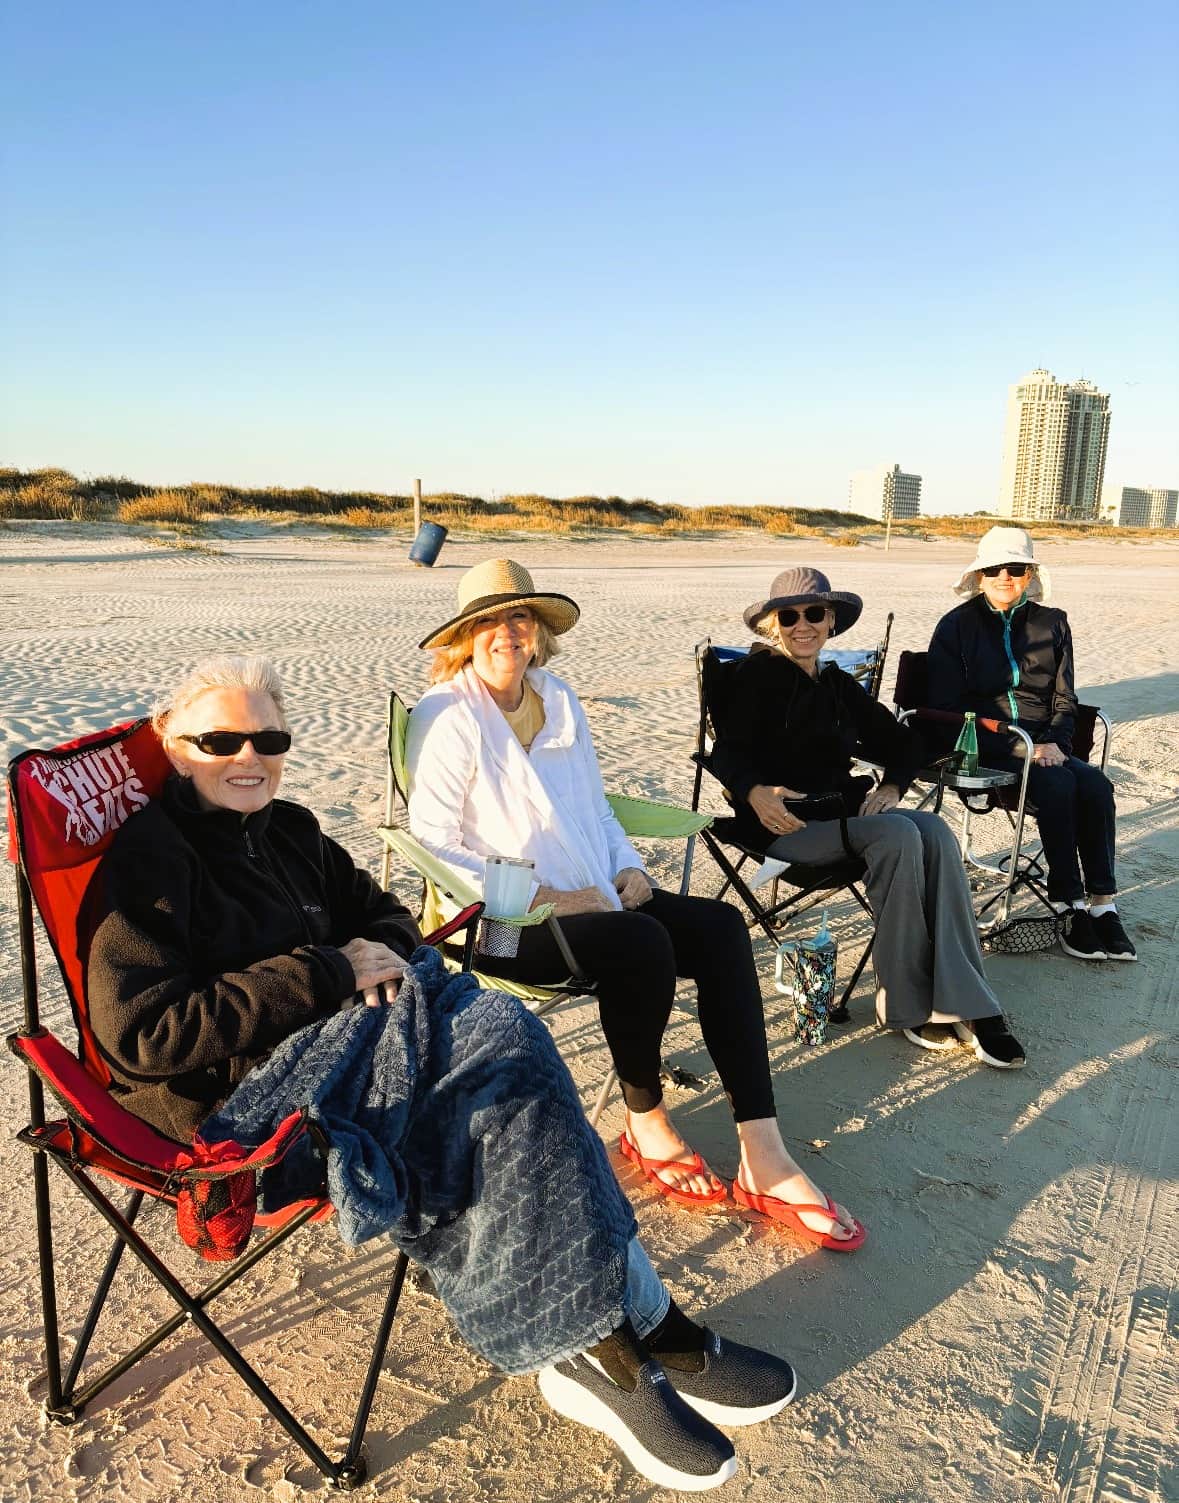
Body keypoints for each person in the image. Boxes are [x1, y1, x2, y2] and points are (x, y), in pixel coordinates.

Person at [84, 654, 798, 1492]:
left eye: (268, 736)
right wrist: (323, 970)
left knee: (509, 1038)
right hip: (247, 1113)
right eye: (220, 739)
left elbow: (381, 911)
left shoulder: (291, 830)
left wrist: (374, 950)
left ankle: (640, 1316)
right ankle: (595, 1348)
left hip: (350, 1044)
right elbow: (145, 1033)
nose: (249, 756)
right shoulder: (149, 862)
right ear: (172, 743)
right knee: (499, 1089)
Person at [406, 558, 865, 1251]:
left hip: (595, 898)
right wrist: (549, 899)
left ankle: (762, 1155)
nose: (509, 631)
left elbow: (596, 808)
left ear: (537, 630)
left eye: (520, 616)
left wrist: (627, 869)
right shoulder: (447, 714)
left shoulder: (555, 696)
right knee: (641, 945)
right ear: (466, 635)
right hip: (492, 926)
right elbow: (433, 844)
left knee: (717, 925)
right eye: (492, 620)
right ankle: (646, 1123)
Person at [709, 565, 1026, 1071]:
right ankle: (904, 1006)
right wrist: (754, 792)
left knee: (934, 830)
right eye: (789, 617)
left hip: (843, 820)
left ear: (831, 620)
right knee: (899, 834)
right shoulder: (753, 678)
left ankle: (967, 999)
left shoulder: (836, 685)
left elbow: (905, 742)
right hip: (785, 828)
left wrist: (893, 786)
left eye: (814, 614)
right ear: (774, 625)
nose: (802, 626)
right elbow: (723, 753)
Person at [927, 526, 1133, 963]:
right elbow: (947, 705)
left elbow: (1065, 698)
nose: (1005, 576)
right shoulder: (956, 626)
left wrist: (1056, 741)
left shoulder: (1052, 621)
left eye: (1016, 568)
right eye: (994, 569)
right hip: (988, 744)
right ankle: (1068, 904)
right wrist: (1021, 746)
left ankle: (1103, 904)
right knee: (1059, 787)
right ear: (978, 576)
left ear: (1030, 574)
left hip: (1048, 744)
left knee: (1097, 786)